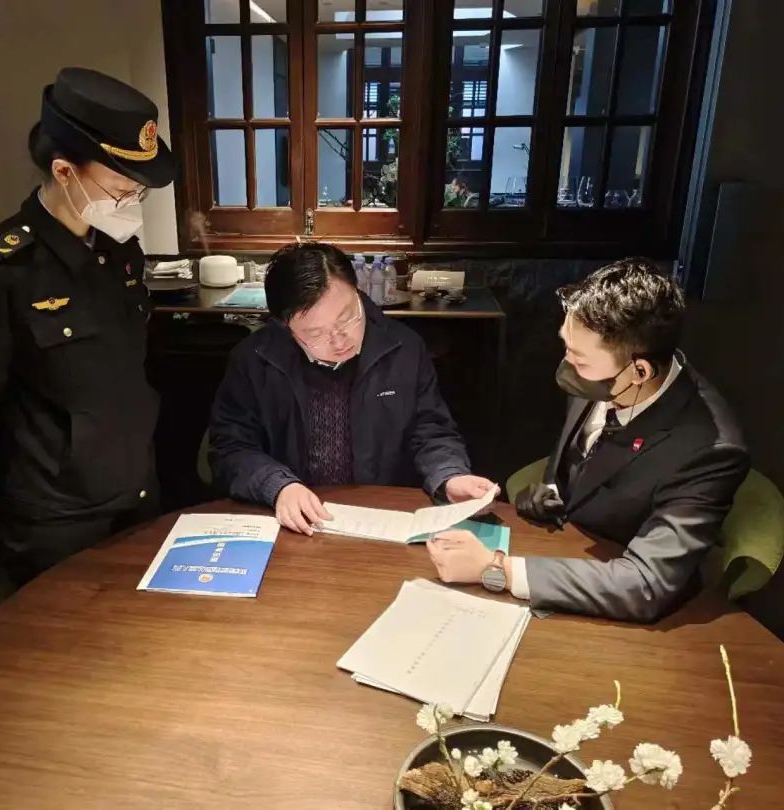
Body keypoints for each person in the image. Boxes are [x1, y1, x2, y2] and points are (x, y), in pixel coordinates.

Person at [0, 68, 175, 585]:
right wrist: (35, 479)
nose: (130, 202)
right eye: (120, 189)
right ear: (65, 172)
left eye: (138, 192)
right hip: (55, 519)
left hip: (135, 490)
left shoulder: (119, 252)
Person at [428, 258, 749, 623]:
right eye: (567, 346)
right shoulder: (604, 375)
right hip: (566, 549)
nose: (568, 365)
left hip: (623, 601)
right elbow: (585, 461)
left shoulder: (709, 451)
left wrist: (497, 568)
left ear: (639, 371)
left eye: (580, 360)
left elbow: (647, 583)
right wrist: (553, 491)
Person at [209, 241, 497, 535]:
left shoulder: (404, 348)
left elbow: (430, 431)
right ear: (286, 327)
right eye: (316, 333)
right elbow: (231, 447)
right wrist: (278, 486)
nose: (340, 340)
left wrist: (450, 476)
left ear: (358, 291)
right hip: (296, 522)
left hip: (384, 519)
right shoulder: (255, 360)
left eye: (347, 317)